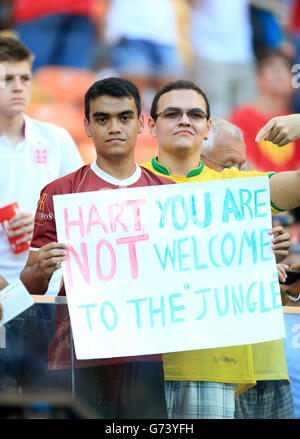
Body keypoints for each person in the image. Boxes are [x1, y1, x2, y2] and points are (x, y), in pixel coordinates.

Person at [141, 79, 300, 419]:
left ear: (207, 127)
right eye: (172, 113)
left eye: (195, 114)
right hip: (138, 366)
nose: (185, 120)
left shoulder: (235, 186)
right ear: (150, 124)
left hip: (210, 370)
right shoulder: (122, 187)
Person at [19, 77, 174, 419]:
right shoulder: (59, 191)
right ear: (87, 126)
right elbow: (32, 285)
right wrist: (41, 268)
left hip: (147, 351)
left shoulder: (169, 193)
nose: (114, 127)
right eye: (102, 119)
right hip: (76, 350)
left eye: (124, 117)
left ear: (142, 123)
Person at [0, 36, 83, 393]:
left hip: (45, 296)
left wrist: (42, 222)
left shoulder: (56, 139)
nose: (18, 87)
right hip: (2, 292)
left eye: (25, 78)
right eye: (7, 79)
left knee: (46, 399)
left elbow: (81, 210)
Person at [201, 117, 296, 419]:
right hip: (215, 370)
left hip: (267, 361)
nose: (237, 174)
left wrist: (277, 273)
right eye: (228, 163)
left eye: (242, 165)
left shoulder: (248, 198)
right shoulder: (176, 197)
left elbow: (279, 296)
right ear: (199, 159)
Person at [229, 48, 300, 172]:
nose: (279, 73)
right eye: (272, 69)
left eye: (285, 69)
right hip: (259, 188)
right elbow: (242, 163)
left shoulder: (295, 121)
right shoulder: (240, 117)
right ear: (258, 79)